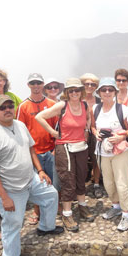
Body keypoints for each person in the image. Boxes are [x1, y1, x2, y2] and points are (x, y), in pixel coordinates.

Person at [0, 95, 63, 256]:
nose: (7, 109)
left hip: (30, 179)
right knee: (13, 223)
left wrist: (40, 171)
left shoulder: (20, 125)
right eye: (2, 107)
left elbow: (30, 148)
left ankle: (46, 227)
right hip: (10, 188)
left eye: (10, 106)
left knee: (51, 195)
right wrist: (4, 197)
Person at [36, 78, 94, 232]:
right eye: (71, 90)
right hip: (65, 147)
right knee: (68, 179)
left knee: (82, 176)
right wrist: (54, 133)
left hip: (81, 146)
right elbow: (39, 117)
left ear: (81, 91)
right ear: (67, 92)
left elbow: (87, 118)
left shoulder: (85, 105)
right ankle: (67, 214)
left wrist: (87, 131)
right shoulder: (62, 105)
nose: (74, 93)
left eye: (77, 90)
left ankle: (82, 206)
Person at [91, 77, 128, 232]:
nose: (107, 92)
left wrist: (121, 137)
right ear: (99, 93)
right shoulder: (95, 109)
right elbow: (92, 126)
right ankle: (115, 206)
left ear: (115, 92)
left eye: (110, 89)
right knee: (108, 182)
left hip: (120, 151)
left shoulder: (122, 109)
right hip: (103, 151)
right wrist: (95, 134)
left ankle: (126, 214)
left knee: (122, 182)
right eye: (104, 90)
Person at [16, 73, 60, 225]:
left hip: (50, 150)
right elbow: (19, 130)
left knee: (54, 181)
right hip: (33, 152)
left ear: (43, 85)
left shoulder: (52, 104)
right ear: (28, 85)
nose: (36, 86)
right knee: (37, 184)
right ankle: (37, 211)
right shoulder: (23, 106)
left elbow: (57, 127)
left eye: (38, 83)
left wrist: (55, 148)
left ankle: (56, 208)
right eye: (33, 83)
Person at [80, 73, 102, 198]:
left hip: (95, 133)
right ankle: (80, 185)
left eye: (92, 84)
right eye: (86, 84)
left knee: (96, 160)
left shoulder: (100, 101)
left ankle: (96, 184)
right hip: (80, 134)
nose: (89, 86)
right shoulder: (77, 99)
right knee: (80, 160)